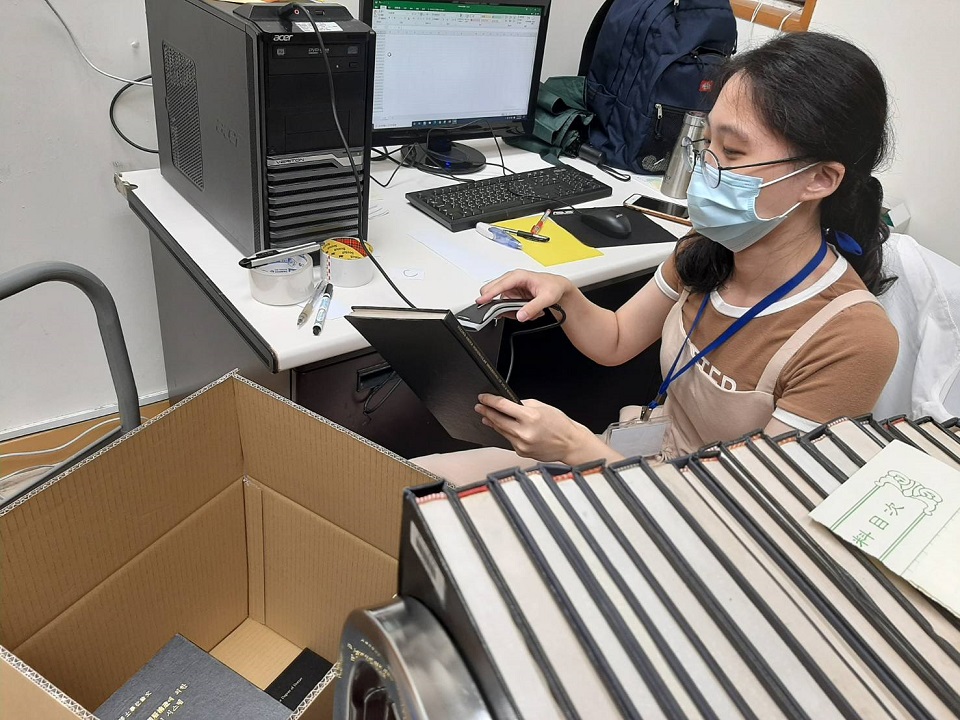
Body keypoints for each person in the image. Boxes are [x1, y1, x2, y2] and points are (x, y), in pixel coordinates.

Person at [412, 32, 899, 484]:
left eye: (732, 152)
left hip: (700, 516)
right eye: (707, 143)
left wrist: (576, 448)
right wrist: (565, 297)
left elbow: (752, 506)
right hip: (637, 464)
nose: (705, 169)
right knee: (413, 477)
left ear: (820, 179)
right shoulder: (706, 251)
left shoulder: (852, 339)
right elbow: (616, 340)